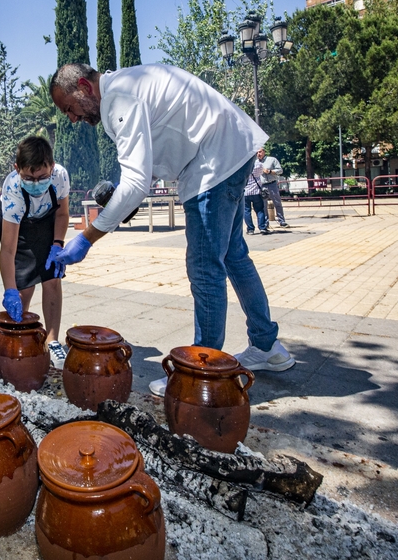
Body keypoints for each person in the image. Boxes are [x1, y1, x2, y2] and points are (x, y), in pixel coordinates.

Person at [49, 63, 295, 397]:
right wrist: (122, 201)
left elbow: (136, 181)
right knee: (234, 256)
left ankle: (201, 372)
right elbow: (147, 169)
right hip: (229, 148)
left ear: (83, 86)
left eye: (69, 108)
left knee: (205, 268)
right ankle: (267, 346)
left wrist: (86, 238)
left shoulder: (118, 98)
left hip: (213, 161)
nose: (73, 119)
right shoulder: (128, 85)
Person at [0, 136, 71, 369]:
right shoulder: (13, 190)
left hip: (48, 225)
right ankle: (19, 339)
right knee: (24, 287)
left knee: (51, 280)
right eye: (28, 178)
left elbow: (62, 213)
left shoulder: (60, 176)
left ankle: (53, 340)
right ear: (16, 169)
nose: (36, 183)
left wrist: (58, 244)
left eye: (42, 177)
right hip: (20, 229)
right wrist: (10, 289)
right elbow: (8, 249)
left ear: (52, 165)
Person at [257, 148, 288, 228]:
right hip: (261, 185)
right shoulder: (255, 162)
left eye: (260, 152)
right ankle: (265, 223)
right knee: (263, 205)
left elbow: (280, 170)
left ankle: (281, 221)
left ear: (264, 151)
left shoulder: (272, 160)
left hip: (272, 184)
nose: (258, 154)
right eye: (257, 152)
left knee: (277, 202)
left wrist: (270, 171)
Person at [243, 159, 272, 236]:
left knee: (246, 211)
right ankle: (262, 227)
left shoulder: (243, 163)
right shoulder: (257, 163)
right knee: (260, 210)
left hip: (246, 192)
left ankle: (250, 229)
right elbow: (261, 172)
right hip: (256, 191)